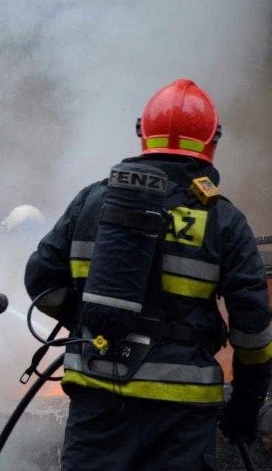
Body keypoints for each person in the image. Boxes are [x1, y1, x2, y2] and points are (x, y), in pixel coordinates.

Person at [25, 79, 271, 470]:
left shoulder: (93, 200)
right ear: (213, 139)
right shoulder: (223, 219)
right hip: (182, 414)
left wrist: (94, 322)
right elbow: (252, 328)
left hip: (99, 396)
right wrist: (247, 401)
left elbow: (40, 282)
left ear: (144, 134)